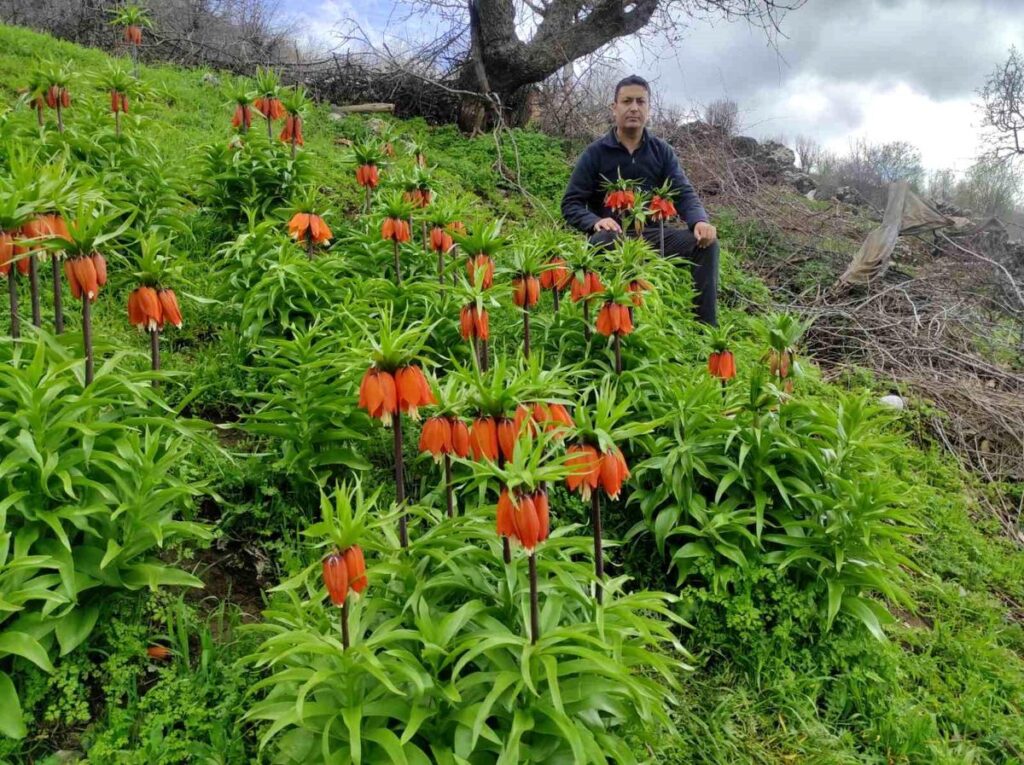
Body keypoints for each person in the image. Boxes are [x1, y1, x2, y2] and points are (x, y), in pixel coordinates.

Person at [560, 75, 720, 325]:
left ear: (649, 109)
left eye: (640, 102)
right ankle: (601, 319)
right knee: (601, 240)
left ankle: (704, 328)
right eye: (626, 101)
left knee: (706, 245)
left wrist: (699, 221)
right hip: (613, 235)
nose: (634, 107)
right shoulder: (596, 153)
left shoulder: (661, 151)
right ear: (615, 108)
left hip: (654, 235)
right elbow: (571, 203)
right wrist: (595, 222)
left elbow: (683, 192)